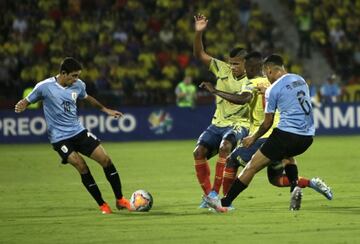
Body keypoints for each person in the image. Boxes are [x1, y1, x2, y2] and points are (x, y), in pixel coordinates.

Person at [14, 57, 131, 214]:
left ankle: (120, 200)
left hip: (78, 131)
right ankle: (103, 205)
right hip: (59, 137)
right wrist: (22, 105)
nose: (77, 79)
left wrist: (105, 110)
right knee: (81, 166)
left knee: (106, 159)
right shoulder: (44, 87)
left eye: (78, 75)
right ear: (63, 73)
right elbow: (28, 100)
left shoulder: (78, 85)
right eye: (74, 75)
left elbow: (87, 97)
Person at [205, 54, 316, 212]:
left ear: (269, 70)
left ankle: (224, 202)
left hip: (285, 135)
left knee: (251, 167)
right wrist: (269, 90)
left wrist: (253, 137)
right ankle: (294, 188)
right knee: (288, 156)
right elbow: (290, 96)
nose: (266, 77)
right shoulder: (300, 79)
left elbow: (267, 123)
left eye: (265, 74)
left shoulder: (273, 90)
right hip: (307, 137)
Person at [193, 14, 252, 207]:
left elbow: (241, 101)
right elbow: (199, 54)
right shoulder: (222, 68)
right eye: (231, 62)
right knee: (198, 152)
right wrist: (198, 33)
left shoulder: (251, 80)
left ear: (245, 63)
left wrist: (215, 90)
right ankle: (209, 196)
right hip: (217, 122)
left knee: (225, 147)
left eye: (236, 63)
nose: (233, 66)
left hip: (239, 124)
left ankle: (220, 196)